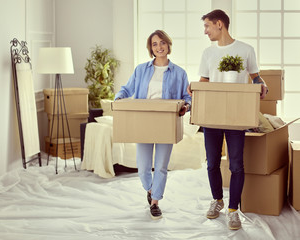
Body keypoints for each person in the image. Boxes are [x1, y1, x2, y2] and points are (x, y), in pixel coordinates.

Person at [187, 9, 268, 230]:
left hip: (237, 116)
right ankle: (217, 200)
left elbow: (255, 77)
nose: (205, 31)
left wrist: (263, 85)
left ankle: (233, 210)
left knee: (236, 165)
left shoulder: (246, 50)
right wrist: (193, 87)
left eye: (207, 26)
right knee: (212, 163)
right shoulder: (208, 53)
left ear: (219, 24)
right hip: (211, 116)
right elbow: (204, 80)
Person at [115, 30, 191, 220]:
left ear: (168, 45)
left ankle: (155, 201)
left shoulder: (180, 73)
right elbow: (127, 88)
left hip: (166, 122)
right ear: (151, 48)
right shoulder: (141, 69)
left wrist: (186, 106)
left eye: (162, 42)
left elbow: (187, 97)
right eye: (155, 44)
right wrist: (118, 99)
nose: (159, 47)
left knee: (161, 166)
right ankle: (150, 189)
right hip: (143, 121)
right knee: (143, 166)